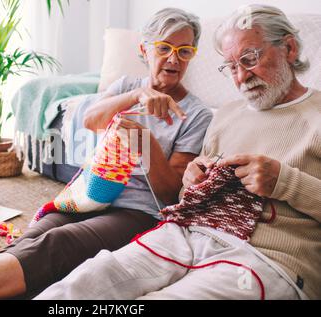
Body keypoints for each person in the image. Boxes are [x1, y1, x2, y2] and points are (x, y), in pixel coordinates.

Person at [0, 8, 213, 299]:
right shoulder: (126, 86)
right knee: (33, 236)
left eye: (185, 51)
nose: (173, 59)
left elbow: (170, 193)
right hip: (91, 195)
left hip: (137, 213)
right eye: (165, 47)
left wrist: (144, 140)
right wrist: (138, 97)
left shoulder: (196, 114)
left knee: (58, 243)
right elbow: (92, 120)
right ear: (145, 49)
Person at [34, 4, 321, 300]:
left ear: (289, 48)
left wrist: (285, 182)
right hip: (184, 234)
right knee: (85, 282)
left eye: (249, 59)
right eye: (231, 66)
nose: (241, 77)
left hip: (264, 258)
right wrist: (192, 182)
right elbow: (187, 197)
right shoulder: (226, 114)